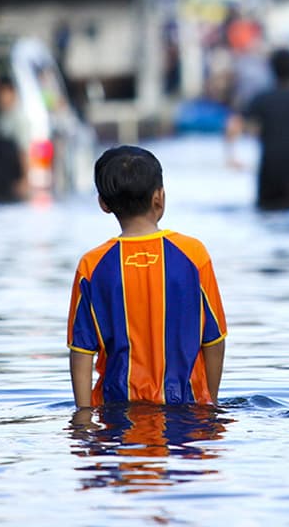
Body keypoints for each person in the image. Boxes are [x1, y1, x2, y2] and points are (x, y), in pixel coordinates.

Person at [68, 146, 227, 410]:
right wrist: (210, 401)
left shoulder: (92, 265)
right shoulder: (193, 255)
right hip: (186, 408)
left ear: (103, 203)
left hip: (117, 409)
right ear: (159, 198)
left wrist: (83, 417)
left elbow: (81, 351)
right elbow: (214, 339)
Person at [225, 48, 289, 210]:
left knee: (266, 210)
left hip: (268, 172)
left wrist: (231, 155)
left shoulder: (261, 99)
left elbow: (234, 123)